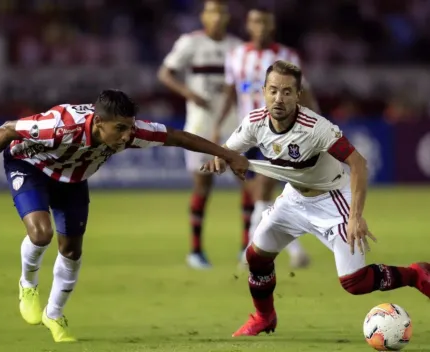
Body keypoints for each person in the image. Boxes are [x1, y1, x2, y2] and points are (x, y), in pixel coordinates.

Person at [0, 89, 249, 343]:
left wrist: (227, 154)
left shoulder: (130, 133)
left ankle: (54, 314)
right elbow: (7, 129)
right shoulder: (59, 125)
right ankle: (28, 284)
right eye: (120, 129)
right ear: (99, 122)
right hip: (30, 166)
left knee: (71, 250)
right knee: (41, 233)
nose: (126, 137)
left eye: (129, 128)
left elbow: (177, 136)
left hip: (72, 179)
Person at [201, 61, 430, 337]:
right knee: (256, 256)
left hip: (333, 199)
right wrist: (219, 161)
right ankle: (264, 317)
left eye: (287, 92)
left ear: (298, 95)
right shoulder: (254, 122)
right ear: (263, 91)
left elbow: (358, 164)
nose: (279, 98)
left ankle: (416, 274)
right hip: (294, 199)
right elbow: (226, 151)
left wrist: (355, 216)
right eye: (273, 90)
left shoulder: (316, 127)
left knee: (354, 283)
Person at [214, 7, 320, 268]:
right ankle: (295, 250)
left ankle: (249, 253)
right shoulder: (236, 56)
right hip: (245, 132)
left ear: (271, 26)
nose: (260, 26)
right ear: (248, 25)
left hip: (277, 131)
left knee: (261, 193)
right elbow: (230, 93)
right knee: (257, 196)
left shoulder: (286, 56)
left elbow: (303, 92)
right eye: (255, 21)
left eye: (264, 22)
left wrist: (318, 122)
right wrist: (217, 125)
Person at [158, 0, 246, 269]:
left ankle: (247, 247)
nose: (216, 17)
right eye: (211, 12)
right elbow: (165, 73)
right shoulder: (190, 43)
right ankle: (196, 251)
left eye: (220, 11)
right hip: (200, 126)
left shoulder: (237, 47)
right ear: (203, 16)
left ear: (227, 16)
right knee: (202, 186)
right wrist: (189, 93)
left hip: (234, 125)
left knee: (248, 183)